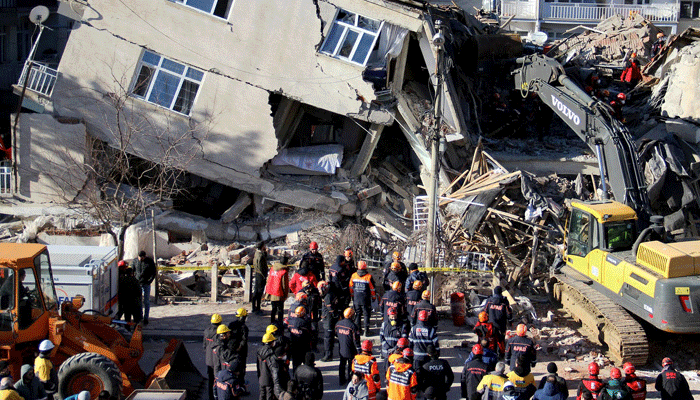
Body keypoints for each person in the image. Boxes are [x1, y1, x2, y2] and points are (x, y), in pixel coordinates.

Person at [349, 261, 376, 336]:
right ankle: (366, 331)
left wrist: (352, 296)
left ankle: (358, 331)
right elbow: (372, 289)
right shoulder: (369, 276)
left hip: (356, 299)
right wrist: (373, 297)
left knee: (358, 314)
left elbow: (350, 287)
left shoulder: (354, 275)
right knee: (366, 314)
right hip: (365, 299)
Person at [337, 307, 361, 385]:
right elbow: (356, 340)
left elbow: (336, 334)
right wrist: (359, 350)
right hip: (351, 349)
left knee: (342, 364)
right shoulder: (353, 326)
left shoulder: (338, 324)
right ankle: (349, 381)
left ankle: (341, 380)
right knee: (351, 365)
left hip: (341, 348)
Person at [482, 286, 511, 350]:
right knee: (501, 341)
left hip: (491, 325)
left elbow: (484, 311)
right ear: (501, 292)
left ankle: (491, 352)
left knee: (491, 340)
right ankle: (501, 353)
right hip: (501, 325)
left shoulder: (489, 300)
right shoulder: (504, 301)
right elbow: (509, 314)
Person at [380, 307, 408, 372]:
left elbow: (403, 338)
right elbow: (381, 337)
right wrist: (387, 347)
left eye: (395, 316)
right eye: (392, 317)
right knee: (386, 369)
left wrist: (396, 348)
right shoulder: (384, 324)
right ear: (388, 316)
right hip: (386, 352)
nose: (393, 319)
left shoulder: (402, 325)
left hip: (397, 352)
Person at [132, 250, 156, 325]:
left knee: (146, 301)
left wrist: (149, 281)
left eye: (141, 258)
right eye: (139, 257)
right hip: (137, 284)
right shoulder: (135, 261)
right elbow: (132, 271)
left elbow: (153, 272)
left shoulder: (149, 261)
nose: (140, 259)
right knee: (138, 301)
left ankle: (146, 318)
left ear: (144, 257)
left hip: (146, 283)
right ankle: (139, 316)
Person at [319, 280, 340, 362]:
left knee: (328, 338)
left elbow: (330, 309)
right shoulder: (329, 294)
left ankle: (328, 355)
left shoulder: (328, 296)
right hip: (328, 319)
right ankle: (327, 353)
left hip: (328, 320)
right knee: (329, 338)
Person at [266, 256, 290, 325]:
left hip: (271, 292)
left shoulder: (272, 269)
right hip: (279, 293)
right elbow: (284, 285)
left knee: (273, 309)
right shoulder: (284, 271)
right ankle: (280, 324)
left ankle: (272, 322)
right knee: (280, 310)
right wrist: (285, 294)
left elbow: (269, 279)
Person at [288, 306, 312, 372]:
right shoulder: (304, 323)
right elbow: (309, 333)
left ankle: (296, 377)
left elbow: (289, 330)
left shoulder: (291, 322)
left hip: (294, 346)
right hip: (303, 346)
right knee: (307, 364)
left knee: (295, 364)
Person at [205, 313, 223, 400]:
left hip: (209, 360)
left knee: (210, 380)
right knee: (217, 380)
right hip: (217, 361)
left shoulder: (206, 331)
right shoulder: (219, 333)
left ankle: (210, 397)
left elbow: (204, 346)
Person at [228, 308, 250, 379]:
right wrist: (239, 348)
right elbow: (244, 340)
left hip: (231, 350)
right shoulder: (244, 328)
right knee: (241, 369)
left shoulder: (231, 325)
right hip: (241, 352)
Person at [257, 332, 278, 400]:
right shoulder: (271, 353)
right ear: (271, 342)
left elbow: (258, 366)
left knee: (262, 395)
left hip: (261, 378)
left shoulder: (259, 351)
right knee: (269, 396)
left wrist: (259, 376)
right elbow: (273, 368)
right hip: (269, 379)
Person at [252, 242, 269, 314]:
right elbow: (261, 267)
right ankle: (257, 308)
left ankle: (254, 307)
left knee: (256, 292)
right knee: (259, 292)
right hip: (261, 275)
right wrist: (264, 276)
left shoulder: (257, 253)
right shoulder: (260, 255)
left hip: (258, 274)